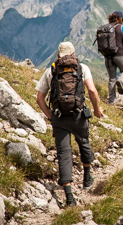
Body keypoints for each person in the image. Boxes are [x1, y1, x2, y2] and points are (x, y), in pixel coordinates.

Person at [36, 42, 103, 207]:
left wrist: (52, 117)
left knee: (64, 154)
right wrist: (96, 109)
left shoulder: (50, 70)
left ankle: (70, 198)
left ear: (58, 56)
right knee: (84, 143)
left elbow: (39, 98)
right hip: (78, 116)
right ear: (73, 55)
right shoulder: (82, 68)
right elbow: (93, 91)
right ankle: (87, 178)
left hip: (59, 118)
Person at [105, 11, 123, 104]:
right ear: (119, 19)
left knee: (112, 78)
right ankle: (120, 80)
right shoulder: (122, 28)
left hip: (107, 56)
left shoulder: (105, 28)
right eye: (122, 19)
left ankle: (111, 100)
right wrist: (121, 48)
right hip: (118, 54)